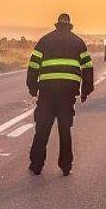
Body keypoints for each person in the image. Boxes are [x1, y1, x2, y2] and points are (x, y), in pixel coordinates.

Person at [27, 13, 94, 176]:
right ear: (69, 24)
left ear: (57, 23)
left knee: (42, 128)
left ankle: (36, 165)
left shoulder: (45, 40)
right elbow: (87, 68)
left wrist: (32, 86)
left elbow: (33, 64)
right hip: (67, 93)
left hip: (47, 91)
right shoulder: (78, 42)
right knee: (65, 129)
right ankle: (66, 165)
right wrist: (85, 90)